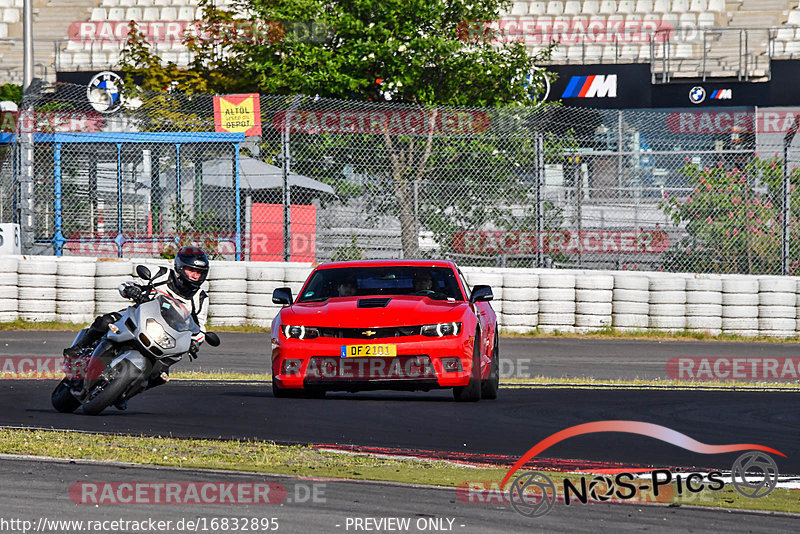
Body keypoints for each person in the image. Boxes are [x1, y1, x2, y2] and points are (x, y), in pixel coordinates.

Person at [63, 246, 210, 401]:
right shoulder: (162, 274)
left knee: (161, 376)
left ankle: (124, 395)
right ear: (180, 268)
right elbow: (130, 284)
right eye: (191, 270)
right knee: (105, 321)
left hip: (166, 336)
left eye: (199, 272)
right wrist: (131, 290)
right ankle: (79, 348)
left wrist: (195, 342)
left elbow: (200, 328)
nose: (194, 275)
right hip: (137, 316)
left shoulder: (200, 298)